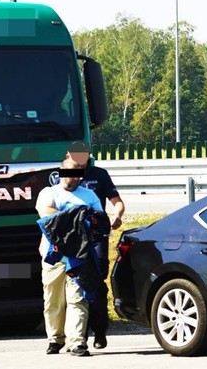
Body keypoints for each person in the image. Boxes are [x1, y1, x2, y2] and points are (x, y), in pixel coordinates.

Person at [35, 156, 103, 357]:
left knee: (77, 298)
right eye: (71, 171)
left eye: (79, 172)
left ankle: (77, 342)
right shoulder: (48, 193)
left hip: (80, 257)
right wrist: (79, 216)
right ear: (62, 170)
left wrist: (69, 217)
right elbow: (47, 217)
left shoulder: (89, 195)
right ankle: (55, 339)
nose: (74, 177)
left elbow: (99, 222)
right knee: (53, 300)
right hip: (54, 255)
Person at [66, 141, 125, 350]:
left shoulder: (99, 174)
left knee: (98, 280)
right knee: (76, 282)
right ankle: (76, 334)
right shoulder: (61, 176)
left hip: (97, 235)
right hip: (73, 239)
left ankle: (100, 331)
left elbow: (117, 201)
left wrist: (117, 216)